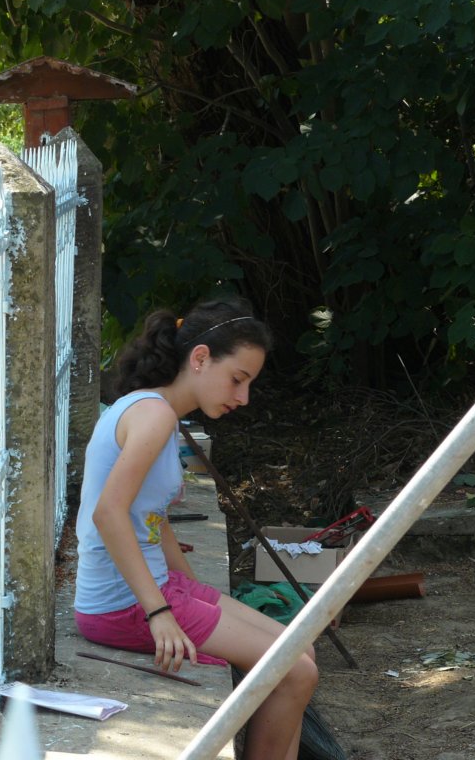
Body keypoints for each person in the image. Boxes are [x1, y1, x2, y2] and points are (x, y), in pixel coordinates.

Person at [74, 298, 318, 760]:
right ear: (200, 358)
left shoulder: (156, 412)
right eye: (238, 379)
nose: (243, 397)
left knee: (300, 651)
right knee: (296, 671)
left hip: (151, 589)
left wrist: (193, 591)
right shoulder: (154, 415)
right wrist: (160, 613)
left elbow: (152, 516)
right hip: (122, 605)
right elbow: (109, 513)